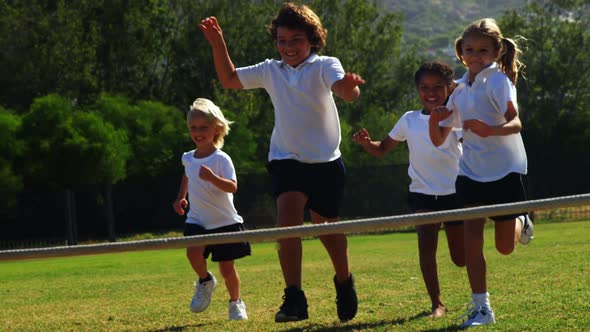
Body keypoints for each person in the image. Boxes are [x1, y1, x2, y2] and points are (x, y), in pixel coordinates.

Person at [199, 2, 365, 323]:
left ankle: (344, 282)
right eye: (282, 40)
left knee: (328, 230)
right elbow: (230, 79)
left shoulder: (324, 65)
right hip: (286, 160)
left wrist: (350, 87)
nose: (288, 47)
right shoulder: (270, 70)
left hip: (326, 163)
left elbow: (344, 89)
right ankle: (294, 299)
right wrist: (218, 44)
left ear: (312, 40)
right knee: (287, 223)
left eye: (296, 40)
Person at [429, 18, 534, 328]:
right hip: (470, 173)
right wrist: (437, 119)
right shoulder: (458, 89)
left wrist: (489, 129)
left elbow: (516, 124)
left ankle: (521, 219)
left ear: (496, 51)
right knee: (471, 239)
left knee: (504, 247)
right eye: (470, 50)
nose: (475, 56)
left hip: (505, 172)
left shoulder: (500, 81)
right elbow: (438, 140)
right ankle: (482, 309)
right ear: (461, 52)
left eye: (483, 50)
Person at [353, 61, 465, 319]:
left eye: (438, 86)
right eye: (424, 87)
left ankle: (478, 295)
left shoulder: (455, 118)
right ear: (417, 90)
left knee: (460, 258)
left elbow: (471, 144)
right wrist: (367, 143)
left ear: (449, 88)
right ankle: (436, 303)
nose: (431, 92)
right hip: (422, 194)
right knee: (426, 248)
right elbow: (382, 150)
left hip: (455, 193)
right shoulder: (409, 120)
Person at [172, 98, 251, 321]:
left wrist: (212, 178)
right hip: (197, 220)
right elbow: (187, 175)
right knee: (192, 254)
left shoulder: (221, 158)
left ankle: (236, 302)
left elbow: (232, 186)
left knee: (227, 269)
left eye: (203, 128)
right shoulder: (188, 157)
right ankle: (205, 280)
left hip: (224, 221)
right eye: (193, 128)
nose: (198, 132)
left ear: (216, 129)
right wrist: (180, 198)